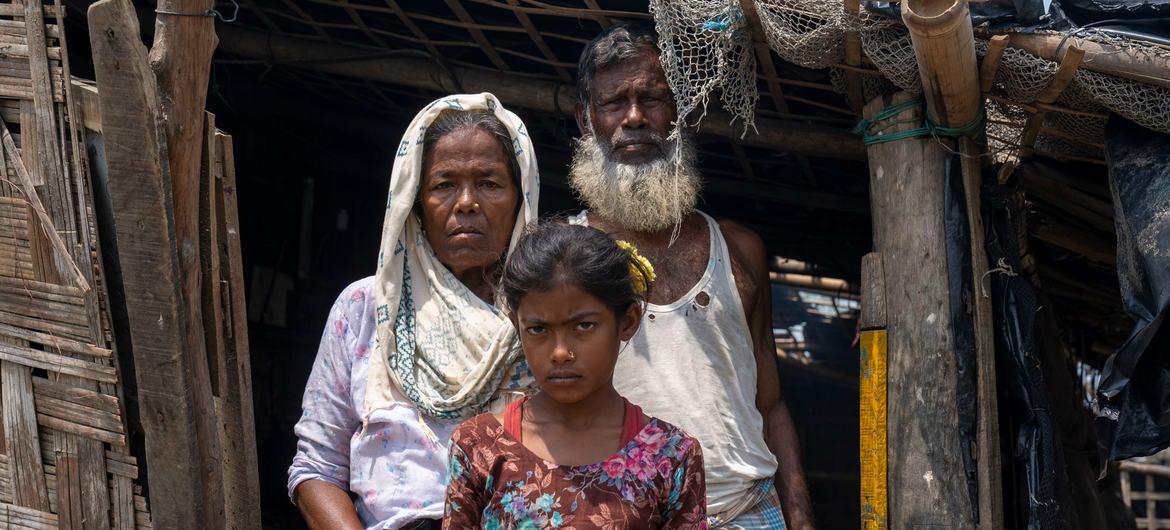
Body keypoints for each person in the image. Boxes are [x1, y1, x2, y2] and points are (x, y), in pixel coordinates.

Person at [567, 23, 815, 529]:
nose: (634, 118)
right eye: (614, 102)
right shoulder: (560, 257)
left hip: (748, 511)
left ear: (678, 111)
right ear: (585, 119)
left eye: (652, 98)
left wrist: (801, 516)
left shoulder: (739, 250)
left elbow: (770, 403)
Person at [288, 93, 541, 530]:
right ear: (416, 203)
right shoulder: (366, 308)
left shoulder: (548, 317)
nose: (466, 203)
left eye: (489, 183)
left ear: (521, 198)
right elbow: (318, 468)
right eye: (444, 185)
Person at [443, 222, 708, 529]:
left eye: (583, 326)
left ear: (628, 321)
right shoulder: (478, 447)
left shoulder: (671, 456)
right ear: (518, 327)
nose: (559, 352)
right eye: (538, 330)